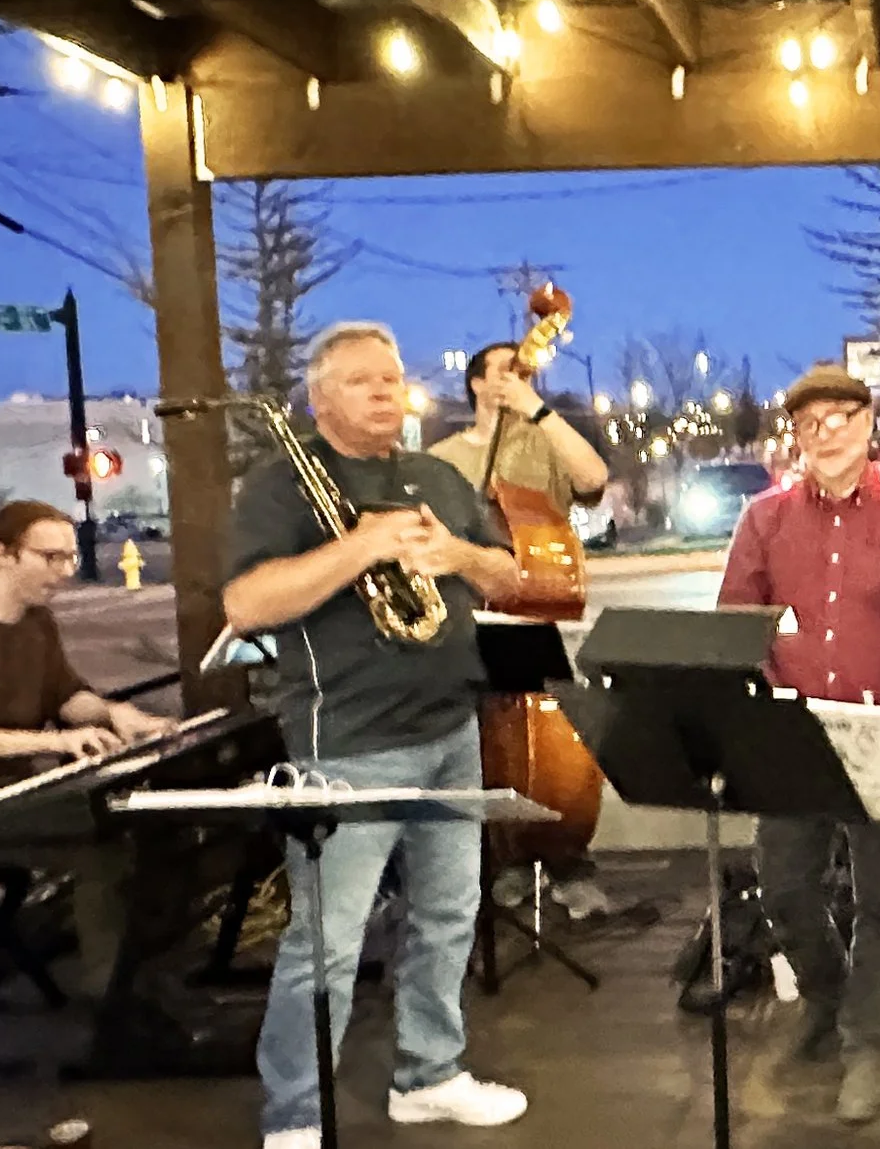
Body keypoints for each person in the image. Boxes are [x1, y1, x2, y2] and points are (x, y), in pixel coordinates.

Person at [225, 322, 532, 1149]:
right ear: (320, 396)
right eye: (363, 380)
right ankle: (295, 1113)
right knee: (326, 942)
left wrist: (458, 553)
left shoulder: (435, 476)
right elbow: (247, 604)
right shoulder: (281, 485)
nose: (385, 392)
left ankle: (428, 1075)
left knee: (448, 914)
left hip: (450, 725)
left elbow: (510, 573)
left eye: (393, 378)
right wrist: (360, 545)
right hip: (347, 742)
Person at [717, 364, 880, 1126]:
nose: (824, 433)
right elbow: (737, 622)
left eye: (839, 417)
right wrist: (757, 707)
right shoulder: (763, 520)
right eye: (809, 422)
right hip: (793, 732)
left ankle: (865, 1042)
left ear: (867, 424)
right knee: (785, 888)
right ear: (796, 434)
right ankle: (827, 997)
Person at [0, 499, 174, 1007]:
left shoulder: (37, 623)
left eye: (70, 557)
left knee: (132, 827)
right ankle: (117, 1000)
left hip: (11, 792)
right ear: (4, 554)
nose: (65, 571)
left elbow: (65, 697)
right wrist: (55, 741)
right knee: (101, 847)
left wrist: (116, 715)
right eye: (51, 558)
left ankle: (143, 982)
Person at [429, 338, 616, 920]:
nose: (518, 377)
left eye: (525, 371)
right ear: (476, 384)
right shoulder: (443, 458)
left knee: (561, 747)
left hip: (540, 615)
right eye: (505, 371)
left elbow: (594, 476)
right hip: (469, 618)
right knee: (484, 742)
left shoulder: (545, 438)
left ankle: (568, 859)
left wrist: (537, 408)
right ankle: (502, 857)